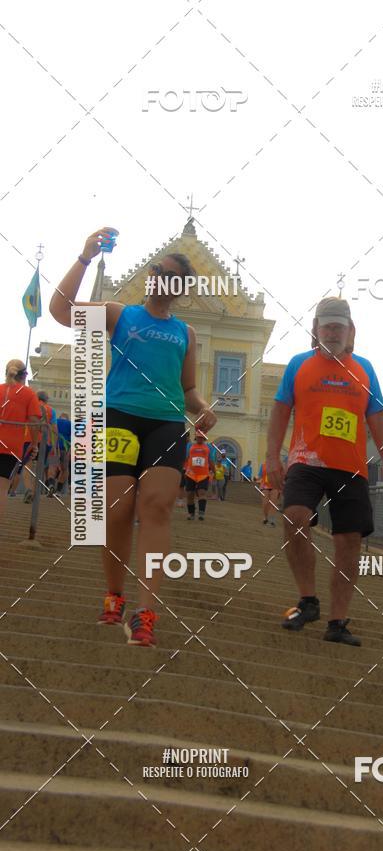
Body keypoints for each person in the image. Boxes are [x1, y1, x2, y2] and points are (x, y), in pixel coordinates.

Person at [49, 227, 217, 646]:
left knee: (158, 507)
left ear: (179, 289)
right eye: (157, 268)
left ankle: (145, 612)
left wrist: (203, 408)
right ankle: (115, 594)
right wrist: (85, 256)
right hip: (118, 416)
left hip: (165, 423)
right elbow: (60, 310)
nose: (157, 274)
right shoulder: (119, 314)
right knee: (117, 509)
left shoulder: (186, 334)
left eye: (168, 274)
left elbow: (188, 389)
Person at [266, 296, 383, 646]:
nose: (333, 332)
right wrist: (271, 458)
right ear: (316, 329)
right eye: (327, 326)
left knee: (349, 542)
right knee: (294, 516)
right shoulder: (299, 365)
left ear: (351, 331)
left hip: (350, 467)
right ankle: (308, 600)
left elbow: (377, 416)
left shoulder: (365, 369)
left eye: (340, 326)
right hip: (306, 461)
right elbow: (280, 411)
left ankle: (337, 622)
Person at [0, 360, 41, 522]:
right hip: (10, 447)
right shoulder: (29, 394)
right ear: (24, 375)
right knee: (2, 488)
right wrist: (34, 444)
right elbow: (34, 421)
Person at [183, 428, 213, 520]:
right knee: (189, 494)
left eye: (201, 437)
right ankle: (191, 513)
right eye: (198, 437)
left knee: (202, 492)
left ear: (204, 438)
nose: (200, 439)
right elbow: (186, 458)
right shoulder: (190, 446)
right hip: (191, 474)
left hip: (203, 474)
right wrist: (183, 469)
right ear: (195, 437)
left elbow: (211, 460)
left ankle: (201, 513)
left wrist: (213, 472)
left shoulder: (208, 447)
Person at [258, 461, 279, 526]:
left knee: (273, 503)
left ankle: (272, 519)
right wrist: (256, 478)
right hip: (265, 486)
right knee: (265, 503)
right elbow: (260, 475)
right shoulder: (263, 465)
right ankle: (265, 517)